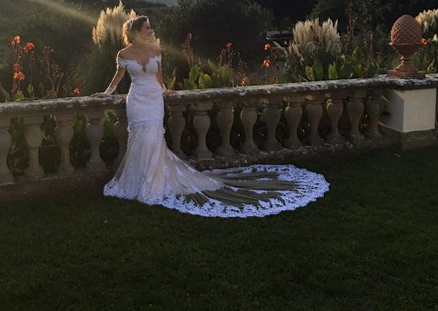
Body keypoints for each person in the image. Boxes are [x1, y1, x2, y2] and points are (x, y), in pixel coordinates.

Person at [93, 15, 329, 218]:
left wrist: (165, 90)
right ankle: (137, 180)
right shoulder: (123, 53)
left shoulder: (156, 49)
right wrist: (106, 94)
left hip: (154, 99)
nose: (151, 30)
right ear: (136, 31)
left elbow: (160, 76)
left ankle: (153, 182)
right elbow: (118, 77)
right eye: (147, 27)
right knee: (140, 138)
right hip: (136, 100)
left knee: (154, 137)